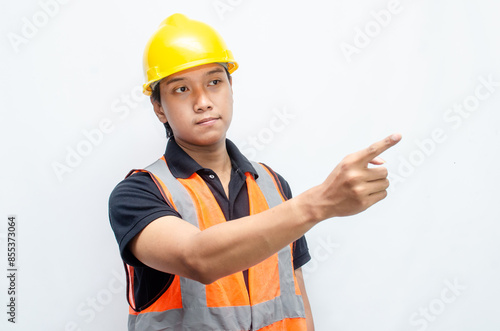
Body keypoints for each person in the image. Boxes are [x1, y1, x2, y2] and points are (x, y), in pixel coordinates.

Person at [109, 13, 401, 331]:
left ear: (231, 87)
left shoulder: (273, 185)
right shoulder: (138, 193)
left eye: (214, 82)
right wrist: (320, 203)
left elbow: (297, 301)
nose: (203, 101)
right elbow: (197, 258)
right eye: (181, 89)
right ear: (158, 107)